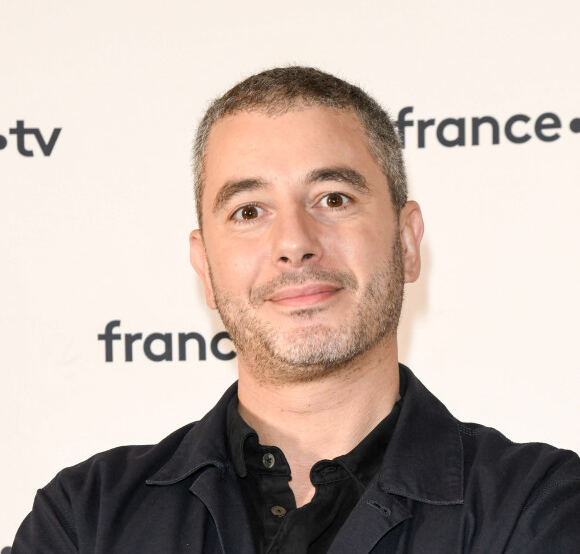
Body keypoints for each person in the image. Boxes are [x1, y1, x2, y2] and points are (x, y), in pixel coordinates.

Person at [13, 67, 580, 553]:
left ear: (407, 242)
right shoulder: (87, 520)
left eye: (333, 198)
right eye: (248, 210)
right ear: (205, 268)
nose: (295, 241)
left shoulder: (539, 506)